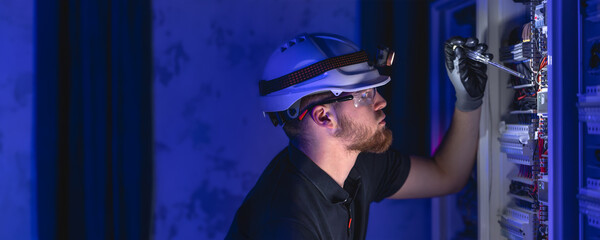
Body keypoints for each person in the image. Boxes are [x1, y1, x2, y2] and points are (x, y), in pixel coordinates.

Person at [226, 33, 492, 239]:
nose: (382, 102)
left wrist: (469, 100)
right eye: (365, 95)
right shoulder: (286, 224)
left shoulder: (359, 160)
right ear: (324, 117)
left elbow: (447, 175)